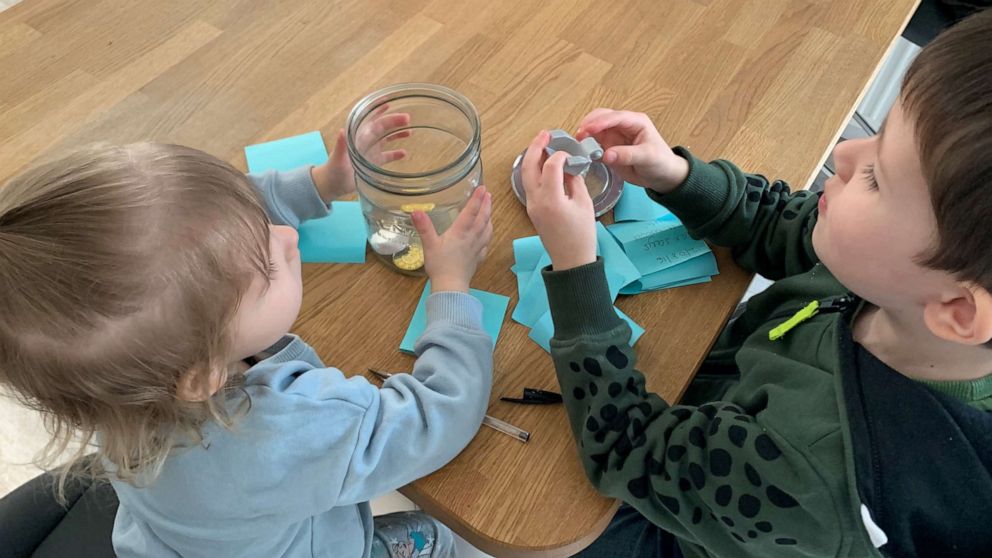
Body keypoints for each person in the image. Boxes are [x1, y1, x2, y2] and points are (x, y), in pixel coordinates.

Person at [520, 8, 992, 557]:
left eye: (876, 177)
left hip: (683, 529)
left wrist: (578, 269)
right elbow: (782, 224)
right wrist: (676, 177)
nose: (842, 154)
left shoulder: (809, 473)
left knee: (548, 521)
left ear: (958, 312)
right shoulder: (904, 281)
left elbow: (628, 450)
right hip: (716, 424)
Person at [0, 117, 494, 558]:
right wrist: (450, 284)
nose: (287, 237)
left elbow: (212, 228)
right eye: (267, 267)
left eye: (262, 223)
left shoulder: (118, 383)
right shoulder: (285, 429)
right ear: (202, 376)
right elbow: (439, 416)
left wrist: (323, 183)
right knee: (439, 535)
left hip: (182, 537)